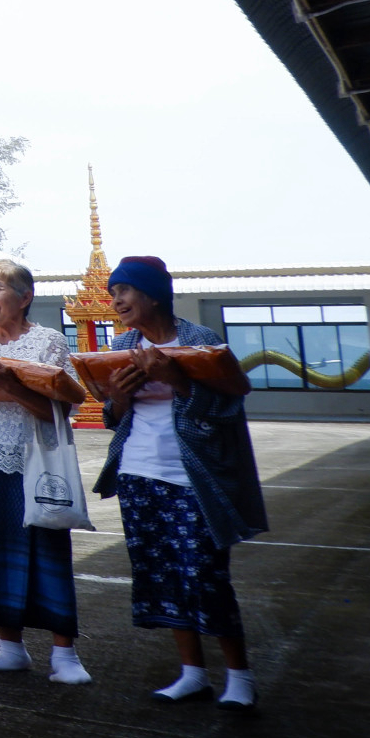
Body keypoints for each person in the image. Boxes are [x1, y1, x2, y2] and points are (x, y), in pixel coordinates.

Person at [94, 255, 266, 711]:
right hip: (138, 472)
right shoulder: (122, 344)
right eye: (112, 293)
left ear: (153, 294)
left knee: (207, 577)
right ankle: (192, 673)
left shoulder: (200, 342)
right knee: (163, 573)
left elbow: (228, 409)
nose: (117, 301)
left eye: (124, 291)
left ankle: (239, 676)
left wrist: (179, 381)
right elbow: (114, 418)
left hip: (194, 477)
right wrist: (118, 396)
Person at [0, 259, 90, 685]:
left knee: (47, 547)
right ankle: (10, 648)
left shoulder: (47, 343)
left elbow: (61, 410)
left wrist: (10, 387)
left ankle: (65, 654)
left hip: (36, 459)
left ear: (25, 297)